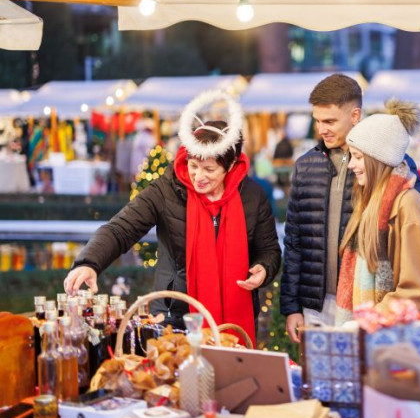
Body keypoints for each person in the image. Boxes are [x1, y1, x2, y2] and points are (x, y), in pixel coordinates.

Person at [63, 94, 281, 340]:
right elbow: (121, 228)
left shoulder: (252, 195)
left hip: (235, 315)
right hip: (174, 316)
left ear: (230, 166)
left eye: (209, 169)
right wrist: (89, 262)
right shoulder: (166, 189)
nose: (199, 176)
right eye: (193, 166)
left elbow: (269, 249)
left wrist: (264, 268)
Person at [281, 74, 420, 343]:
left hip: (366, 299)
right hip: (316, 302)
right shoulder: (305, 165)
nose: (321, 129)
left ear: (355, 115)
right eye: (317, 121)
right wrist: (291, 306)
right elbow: (294, 240)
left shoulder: (388, 163)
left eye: (330, 121)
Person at [336, 100, 420, 324]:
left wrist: (368, 320)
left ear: (379, 160)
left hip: (405, 335)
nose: (351, 165)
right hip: (384, 331)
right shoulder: (368, 202)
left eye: (358, 157)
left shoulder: (408, 203)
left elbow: (415, 289)